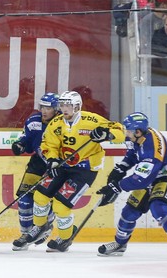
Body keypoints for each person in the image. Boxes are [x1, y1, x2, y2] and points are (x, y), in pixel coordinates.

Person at [12, 90, 124, 252]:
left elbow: (120, 131)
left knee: (60, 206)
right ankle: (40, 227)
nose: (64, 109)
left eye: (68, 105)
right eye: (62, 105)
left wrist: (108, 134)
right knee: (40, 195)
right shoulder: (56, 123)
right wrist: (52, 160)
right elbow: (48, 144)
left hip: (84, 170)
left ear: (77, 106)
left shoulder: (91, 120)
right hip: (63, 166)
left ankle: (65, 238)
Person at [97, 112, 167, 260]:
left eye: (128, 130)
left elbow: (142, 180)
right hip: (151, 172)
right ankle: (120, 244)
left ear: (138, 131)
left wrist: (117, 186)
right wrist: (120, 168)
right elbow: (132, 154)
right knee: (130, 211)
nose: (126, 133)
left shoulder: (151, 148)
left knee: (158, 208)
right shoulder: (137, 136)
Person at [10, 93, 59, 250]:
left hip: (58, 165)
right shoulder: (33, 121)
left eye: (49, 108)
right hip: (38, 163)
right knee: (24, 199)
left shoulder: (61, 124)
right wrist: (20, 145)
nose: (44, 111)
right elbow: (26, 142)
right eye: (42, 107)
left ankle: (45, 224)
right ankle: (26, 234)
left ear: (56, 109)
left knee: (48, 201)